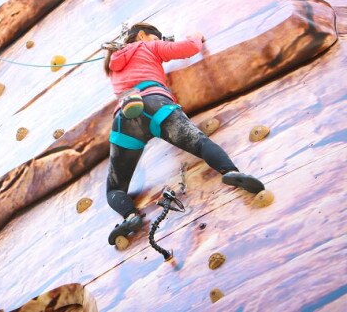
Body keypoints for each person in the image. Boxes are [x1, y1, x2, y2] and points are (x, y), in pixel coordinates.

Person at [102, 23, 264, 246]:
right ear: (141, 35)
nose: (159, 40)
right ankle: (230, 172)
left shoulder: (113, 64)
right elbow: (189, 48)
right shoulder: (147, 47)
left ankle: (130, 216)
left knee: (115, 188)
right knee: (200, 143)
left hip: (124, 121)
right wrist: (195, 35)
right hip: (156, 106)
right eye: (155, 37)